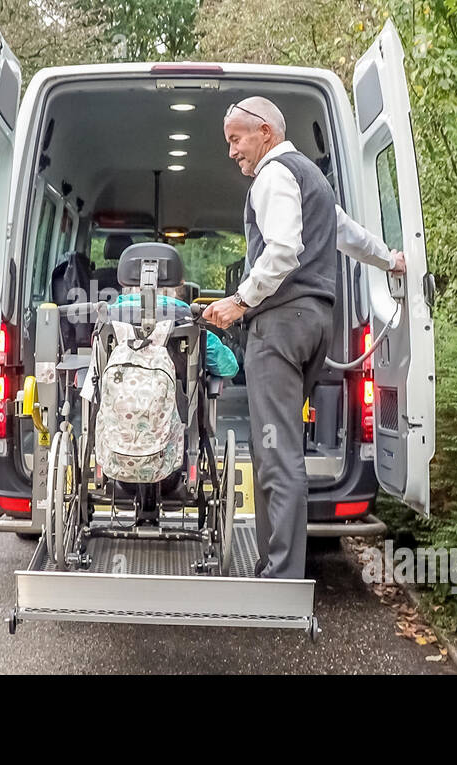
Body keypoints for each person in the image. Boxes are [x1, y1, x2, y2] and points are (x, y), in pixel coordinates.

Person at [202, 96, 405, 579]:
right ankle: (278, 562)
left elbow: (283, 251)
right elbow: (349, 235)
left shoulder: (273, 176)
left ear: (265, 133)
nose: (232, 152)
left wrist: (239, 302)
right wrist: (392, 260)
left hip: (279, 327)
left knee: (275, 451)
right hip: (317, 325)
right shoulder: (312, 178)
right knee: (285, 442)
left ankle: (281, 573)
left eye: (236, 139)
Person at [111, 283, 239, 378]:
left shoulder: (108, 319)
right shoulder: (188, 321)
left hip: (112, 407)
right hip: (175, 410)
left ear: (128, 288)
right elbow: (229, 368)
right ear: (178, 291)